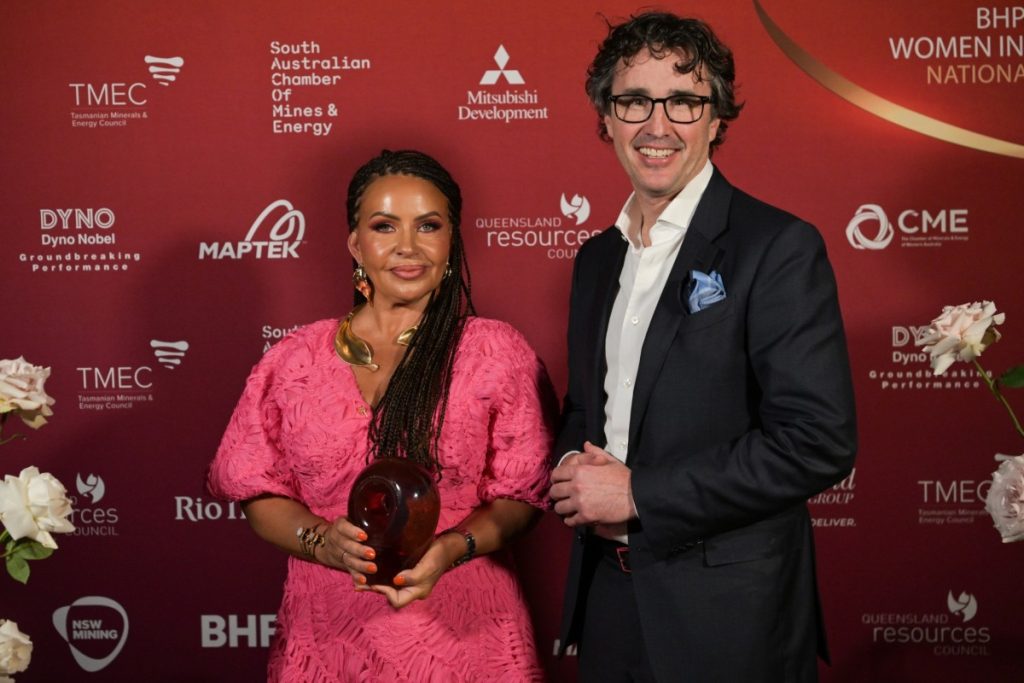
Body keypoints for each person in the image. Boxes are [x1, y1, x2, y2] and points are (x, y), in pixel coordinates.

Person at [549, 12, 857, 683]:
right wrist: (573, 460)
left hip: (729, 619)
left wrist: (638, 493)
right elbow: (584, 410)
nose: (657, 127)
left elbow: (817, 439)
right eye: (634, 100)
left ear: (717, 119)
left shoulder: (775, 247)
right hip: (610, 603)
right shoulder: (595, 259)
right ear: (607, 117)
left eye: (684, 101)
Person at [208, 149, 556, 682]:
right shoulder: (293, 359)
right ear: (355, 243)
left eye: (429, 226)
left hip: (467, 638)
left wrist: (452, 548)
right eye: (384, 226)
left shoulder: (496, 353)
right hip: (327, 637)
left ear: (452, 239)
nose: (408, 247)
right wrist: (321, 542)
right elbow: (258, 492)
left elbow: (520, 497)